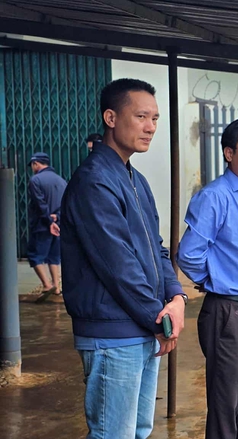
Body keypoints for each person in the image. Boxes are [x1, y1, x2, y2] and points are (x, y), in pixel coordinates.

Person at [60, 78, 187, 439]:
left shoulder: (136, 180)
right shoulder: (94, 181)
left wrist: (176, 298)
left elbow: (157, 249)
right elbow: (118, 265)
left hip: (142, 328)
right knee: (112, 434)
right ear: (111, 117)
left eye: (156, 119)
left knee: (138, 431)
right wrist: (157, 318)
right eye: (142, 116)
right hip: (112, 332)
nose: (150, 127)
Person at [177, 117, 238, 439]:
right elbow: (189, 255)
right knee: (226, 410)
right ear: (229, 153)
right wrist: (218, 282)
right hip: (230, 312)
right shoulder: (215, 197)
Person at [26, 152, 67, 302]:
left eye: (32, 165)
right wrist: (57, 218)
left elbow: (40, 203)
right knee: (54, 256)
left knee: (35, 256)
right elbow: (66, 202)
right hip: (59, 224)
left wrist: (49, 221)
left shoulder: (36, 180)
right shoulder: (61, 181)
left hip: (42, 225)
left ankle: (46, 284)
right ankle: (57, 286)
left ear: (36, 164)